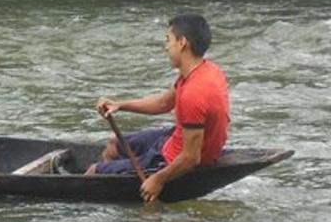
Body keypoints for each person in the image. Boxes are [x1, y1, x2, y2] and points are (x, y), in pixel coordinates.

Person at [87, 13, 231, 203]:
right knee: (114, 143)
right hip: (174, 139)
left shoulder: (195, 93)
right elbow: (163, 103)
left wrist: (157, 179)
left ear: (182, 43)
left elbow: (190, 159)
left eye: (168, 40)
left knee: (93, 172)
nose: (166, 47)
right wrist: (120, 105)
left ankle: (106, 188)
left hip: (171, 159)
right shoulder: (206, 69)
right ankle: (118, 178)